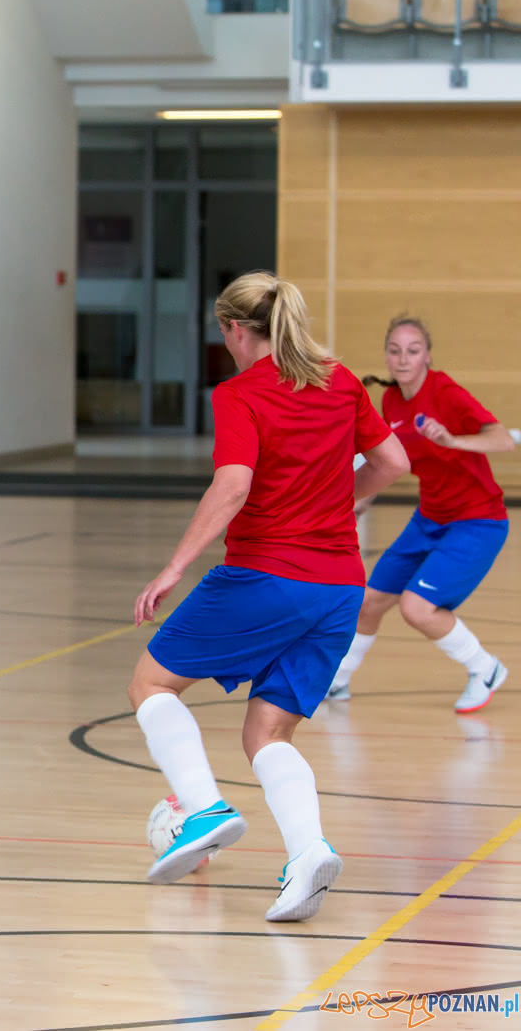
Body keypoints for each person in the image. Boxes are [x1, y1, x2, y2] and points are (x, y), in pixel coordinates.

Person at [127, 272, 409, 922]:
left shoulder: (239, 393)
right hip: (339, 588)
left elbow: (232, 486)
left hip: (267, 576)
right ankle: (308, 853)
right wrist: (337, 500)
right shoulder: (339, 380)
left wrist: (174, 567)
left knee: (151, 682)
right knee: (268, 730)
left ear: (233, 329)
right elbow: (394, 462)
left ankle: (203, 809)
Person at [326, 316, 514, 713]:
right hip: (430, 519)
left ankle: (486, 669)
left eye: (412, 351)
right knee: (369, 601)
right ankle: (338, 682)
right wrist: (360, 501)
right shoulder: (391, 401)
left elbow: (502, 440)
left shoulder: (446, 392)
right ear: (386, 356)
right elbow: (389, 461)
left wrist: (453, 440)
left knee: (417, 607)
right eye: (395, 351)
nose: (403, 359)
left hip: (477, 521)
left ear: (427, 355)